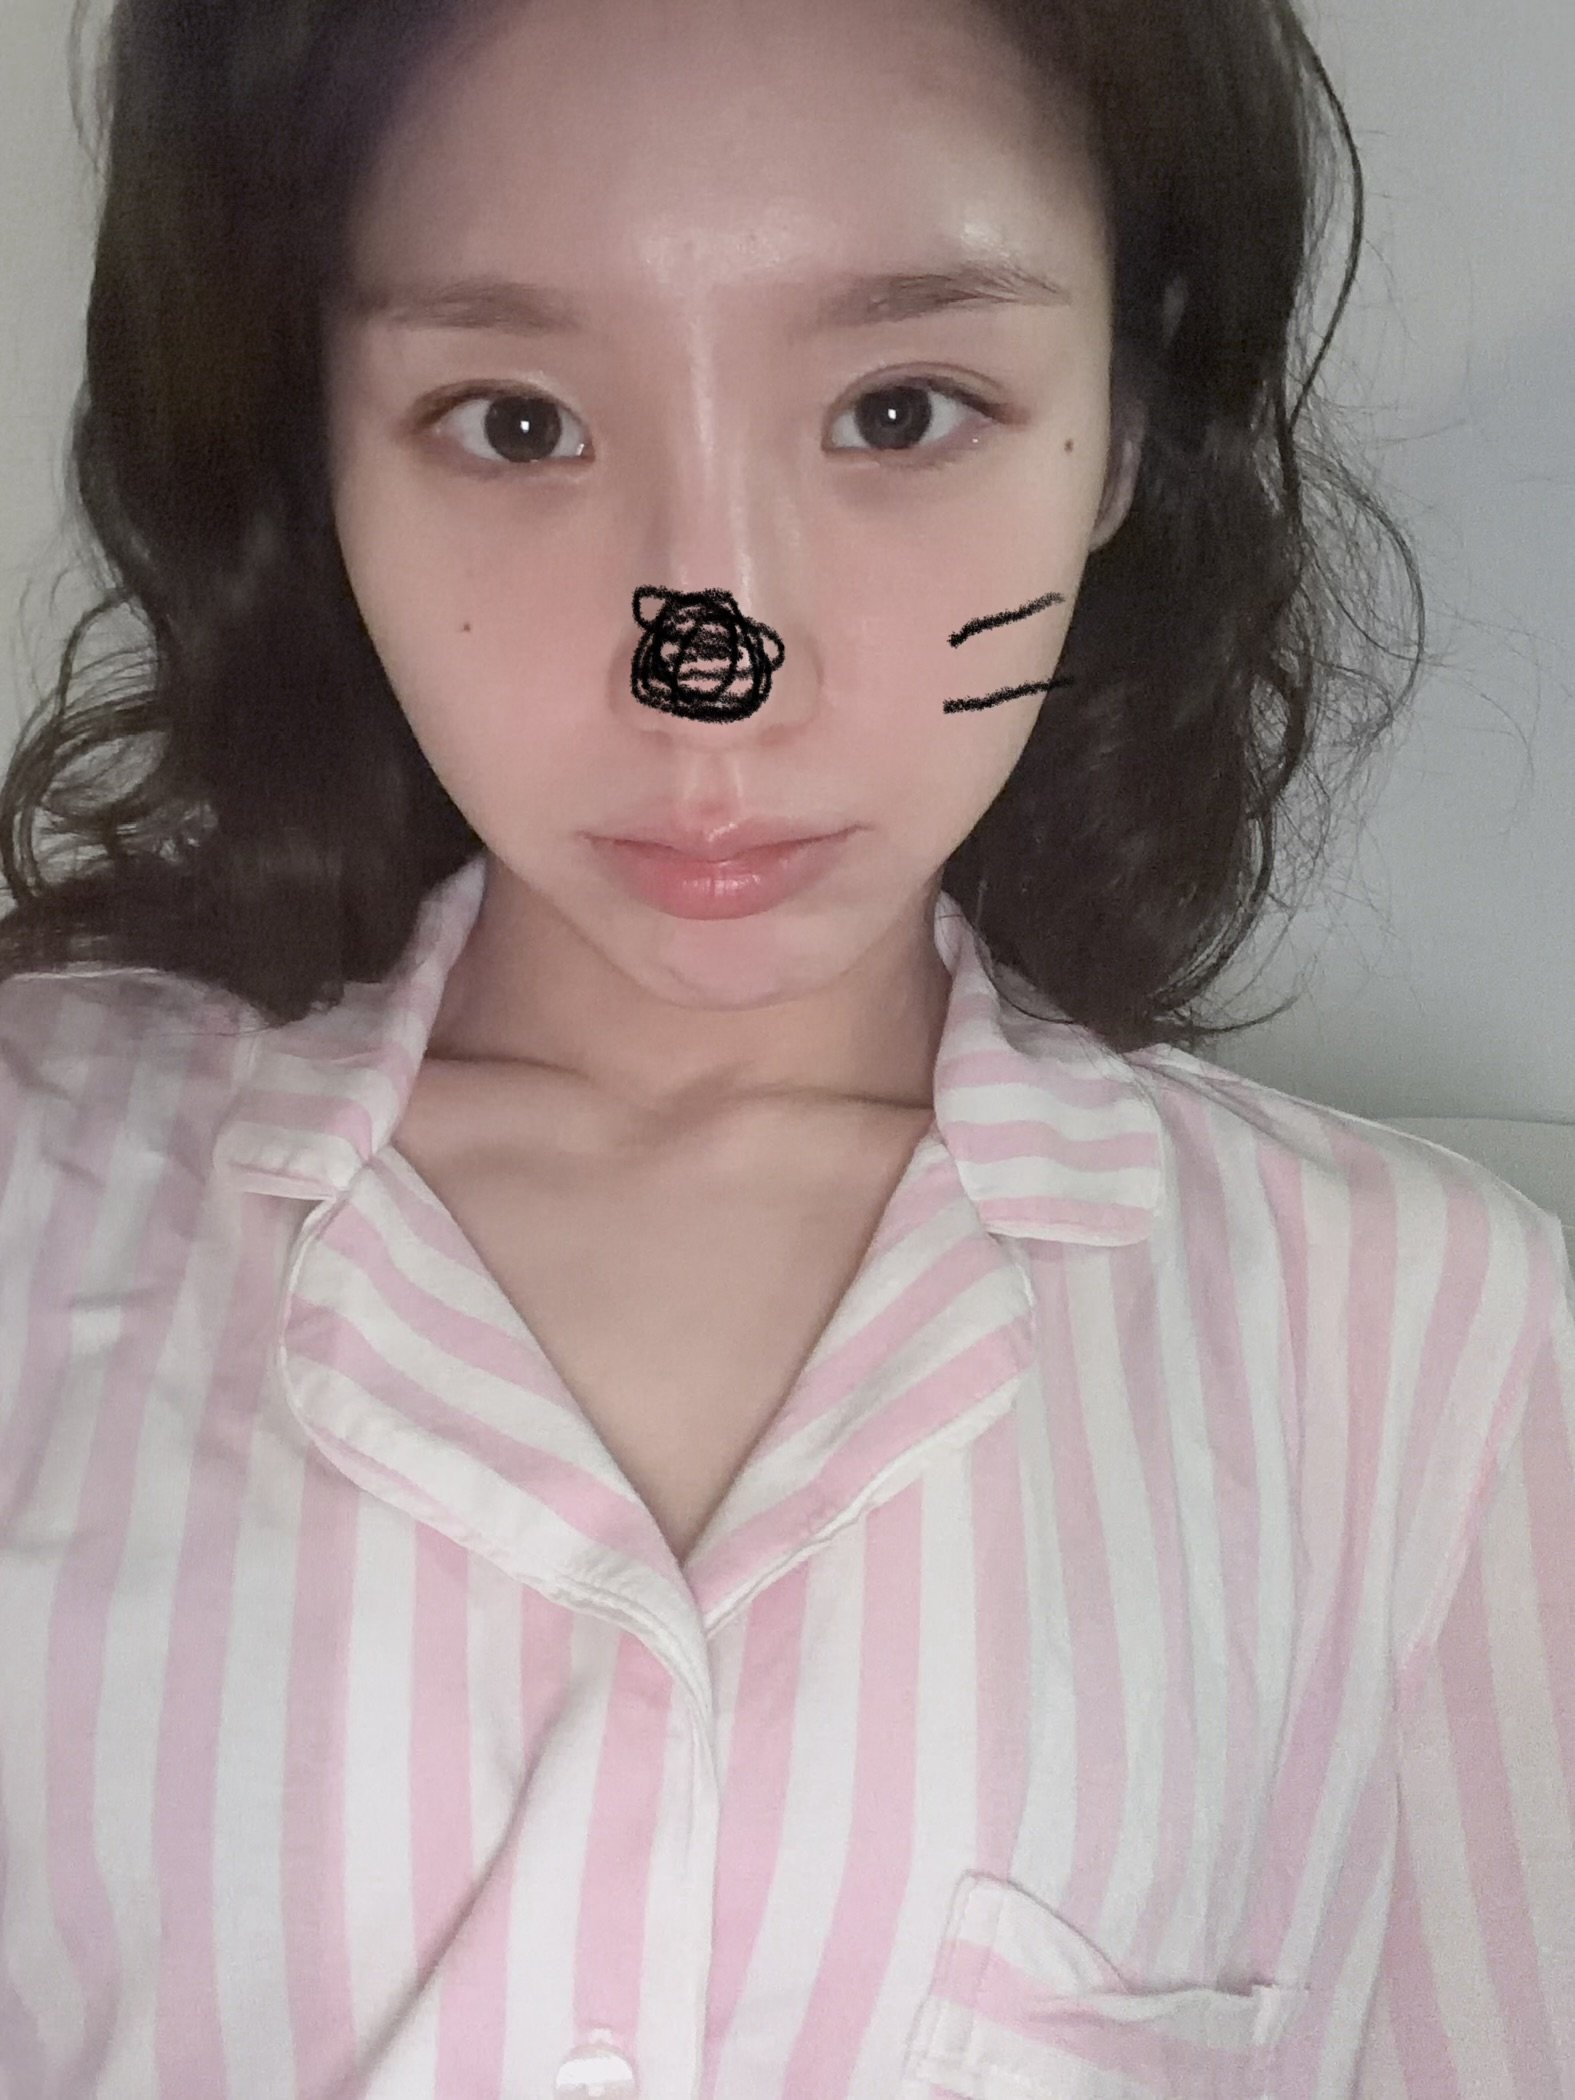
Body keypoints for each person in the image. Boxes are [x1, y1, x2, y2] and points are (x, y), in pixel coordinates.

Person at [0, 0, 1570, 2091]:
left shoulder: (1425, 1351)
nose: (710, 665)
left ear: (1118, 429)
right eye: (515, 425)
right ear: (317, 453)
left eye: (901, 412)